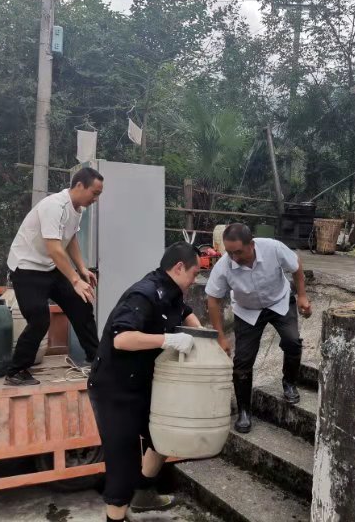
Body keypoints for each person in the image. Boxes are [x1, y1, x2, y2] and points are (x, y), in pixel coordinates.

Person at [87, 242, 203, 521]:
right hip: (114, 389)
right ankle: (116, 515)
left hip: (141, 384)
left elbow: (184, 311)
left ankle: (143, 493)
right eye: (195, 273)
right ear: (178, 268)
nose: (195, 279)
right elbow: (122, 339)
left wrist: (203, 337)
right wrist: (169, 339)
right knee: (122, 464)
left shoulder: (172, 292)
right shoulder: (144, 293)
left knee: (162, 438)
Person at [206, 223, 312, 434]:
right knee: (243, 361)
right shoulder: (224, 266)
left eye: (238, 251)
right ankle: (245, 410)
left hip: (279, 301)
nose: (234, 257)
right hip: (247, 310)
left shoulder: (273, 248)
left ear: (252, 245)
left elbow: (296, 265)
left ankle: (289, 382)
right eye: (229, 252)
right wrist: (220, 336)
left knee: (292, 342)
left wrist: (301, 295)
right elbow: (213, 300)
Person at [5, 168, 103, 386]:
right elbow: (54, 248)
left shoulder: (77, 208)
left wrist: (82, 269)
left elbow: (70, 239)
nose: (96, 199)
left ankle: (97, 361)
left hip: (50, 267)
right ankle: (16, 371)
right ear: (79, 186)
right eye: (94, 193)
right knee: (39, 319)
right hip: (27, 267)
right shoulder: (53, 206)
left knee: (81, 302)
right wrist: (74, 280)